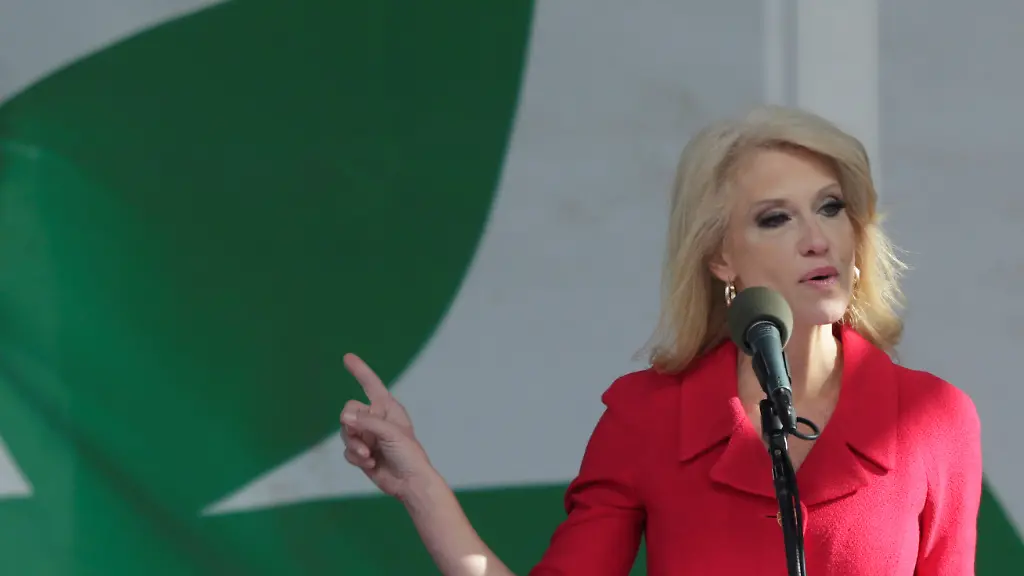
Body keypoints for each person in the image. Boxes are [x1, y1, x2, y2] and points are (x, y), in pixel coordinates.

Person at [339, 105, 983, 575]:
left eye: (832, 207)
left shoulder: (935, 420)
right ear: (720, 259)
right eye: (775, 218)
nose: (817, 238)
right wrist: (421, 488)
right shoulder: (648, 418)